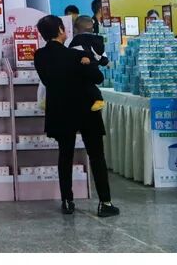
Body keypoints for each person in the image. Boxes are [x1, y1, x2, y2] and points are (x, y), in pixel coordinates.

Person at [34, 15, 119, 218]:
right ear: (61, 30)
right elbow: (98, 77)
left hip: (60, 110)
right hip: (86, 109)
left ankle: (67, 201)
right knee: (96, 155)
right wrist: (86, 63)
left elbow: (47, 80)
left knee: (65, 155)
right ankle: (105, 202)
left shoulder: (40, 56)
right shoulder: (76, 55)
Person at [69, 15, 108, 112]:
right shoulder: (99, 41)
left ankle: (98, 99)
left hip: (82, 75)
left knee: (86, 84)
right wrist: (100, 61)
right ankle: (98, 99)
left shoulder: (76, 41)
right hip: (95, 71)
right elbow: (104, 59)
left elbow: (72, 55)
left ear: (75, 29)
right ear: (92, 28)